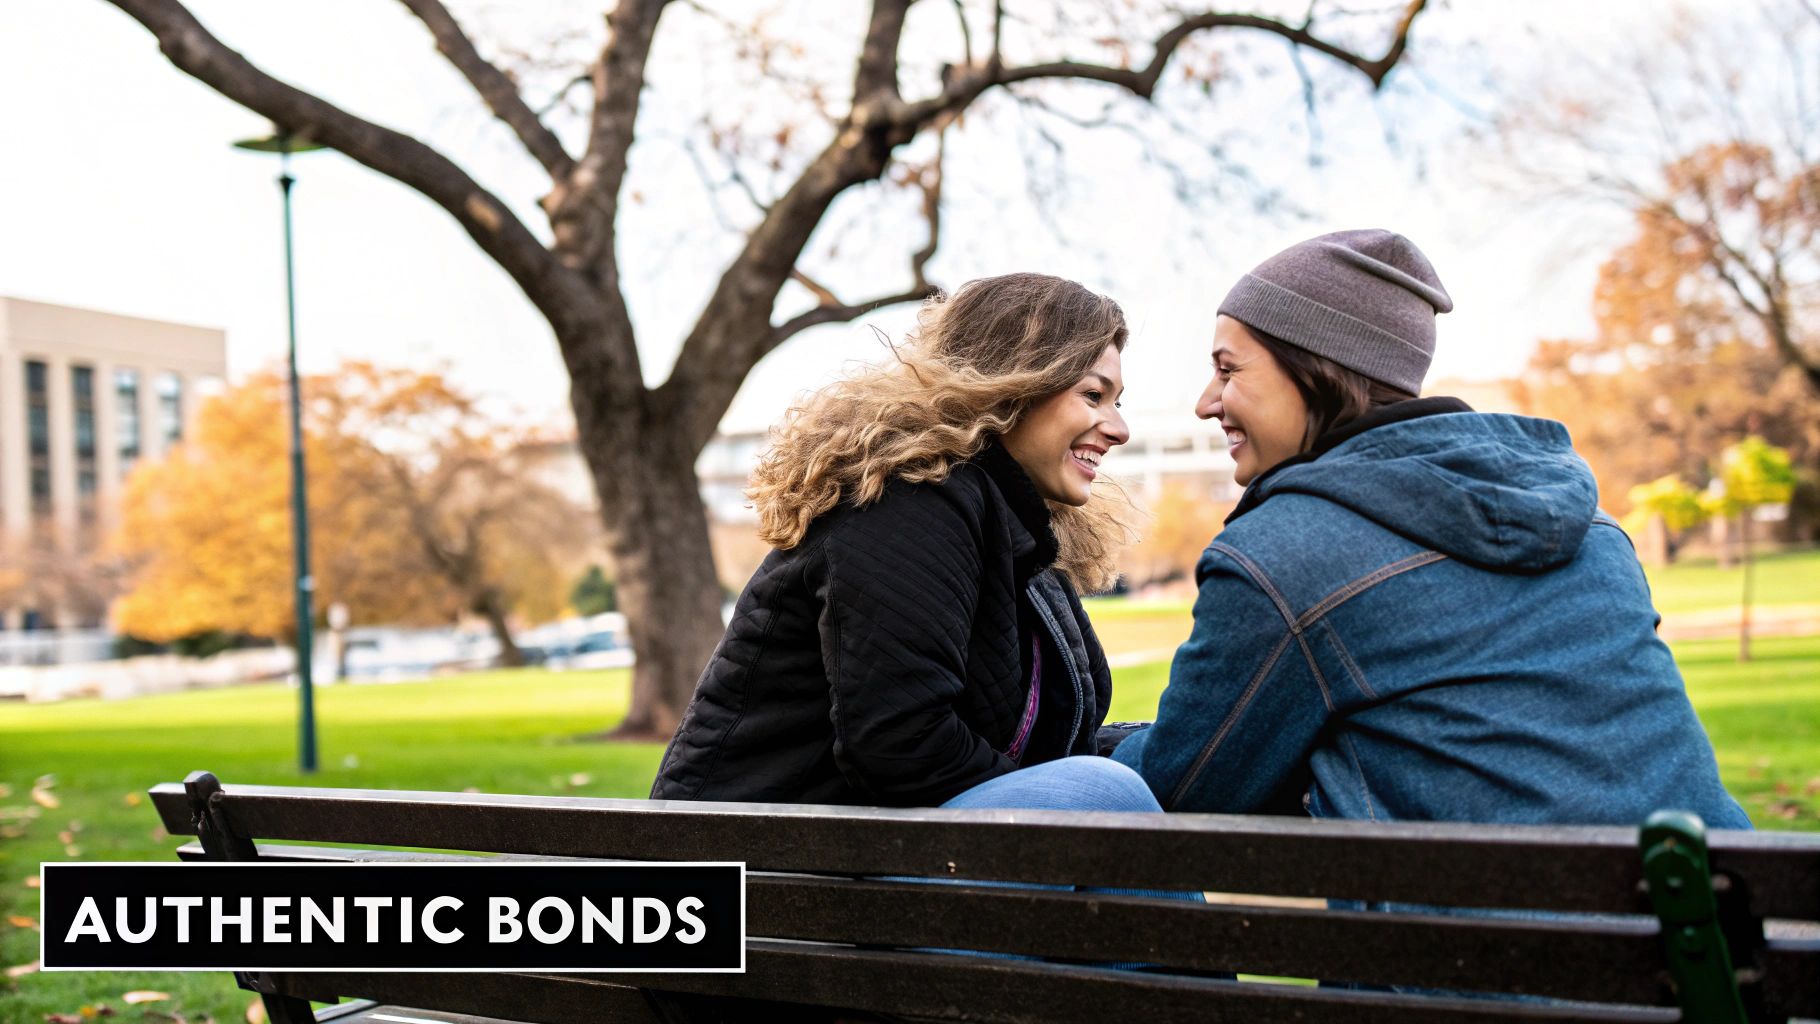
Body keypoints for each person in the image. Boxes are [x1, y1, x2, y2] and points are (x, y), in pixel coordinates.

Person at [1112, 229, 1750, 831]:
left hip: (1492, 946)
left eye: (1229, 369)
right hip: (1714, 926)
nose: (1206, 401)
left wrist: (1073, 757)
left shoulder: (1283, 555)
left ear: (1314, 369)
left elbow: (1180, 789)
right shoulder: (1595, 529)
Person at [651, 272, 1160, 815]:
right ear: (1013, 385)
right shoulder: (910, 502)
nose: (1118, 429)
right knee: (1106, 797)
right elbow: (903, 745)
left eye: (1118, 402)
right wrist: (1080, 788)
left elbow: (1046, 743)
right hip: (765, 862)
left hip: (871, 847)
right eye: (1092, 395)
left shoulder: (1020, 532)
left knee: (1148, 768)